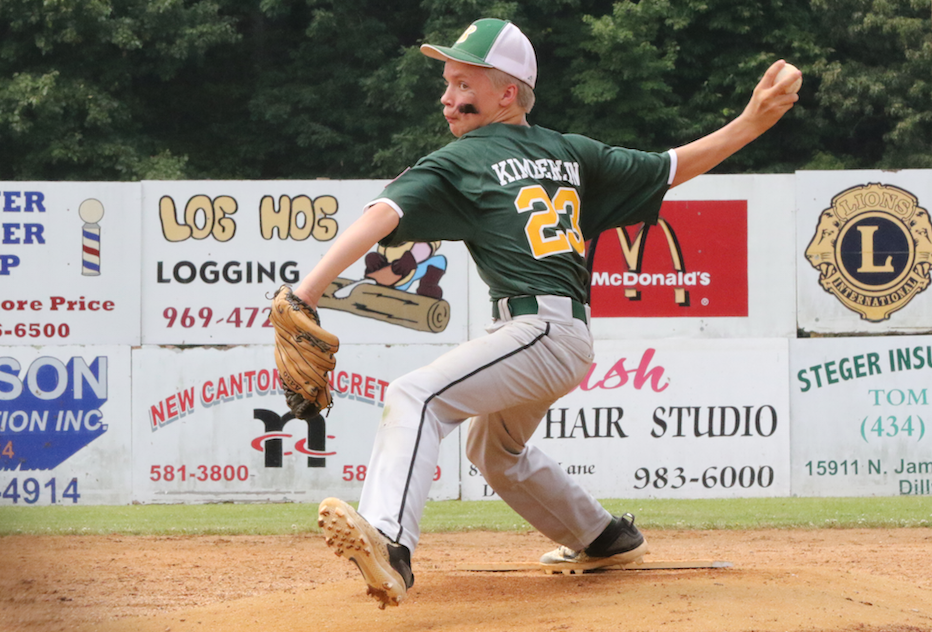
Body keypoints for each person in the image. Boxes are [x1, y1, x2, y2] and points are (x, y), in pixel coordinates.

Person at [300, 17, 799, 608]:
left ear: (506, 92)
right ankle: (603, 537)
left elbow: (380, 216)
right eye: (447, 82)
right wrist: (750, 122)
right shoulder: (571, 152)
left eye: (463, 83)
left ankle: (388, 543)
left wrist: (306, 292)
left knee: (416, 396)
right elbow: (672, 165)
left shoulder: (462, 159)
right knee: (494, 450)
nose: (447, 96)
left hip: (536, 331)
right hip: (559, 336)